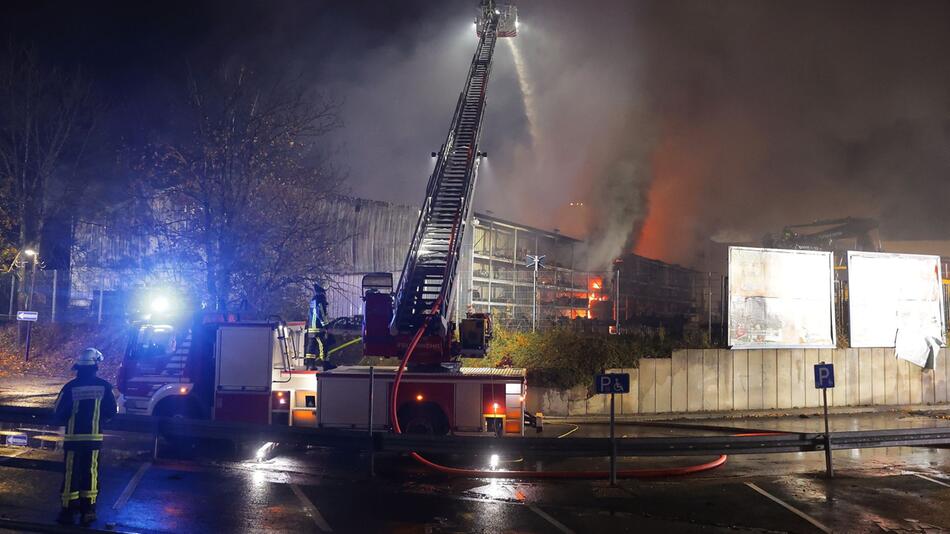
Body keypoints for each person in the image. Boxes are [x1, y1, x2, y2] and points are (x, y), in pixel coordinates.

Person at [53, 348, 117, 526]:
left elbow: (58, 412)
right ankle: (88, 511)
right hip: (93, 439)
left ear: (79, 367)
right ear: (96, 365)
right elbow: (112, 411)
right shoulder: (104, 387)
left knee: (70, 473)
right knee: (91, 473)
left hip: (73, 439)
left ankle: (67, 511)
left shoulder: (70, 387)